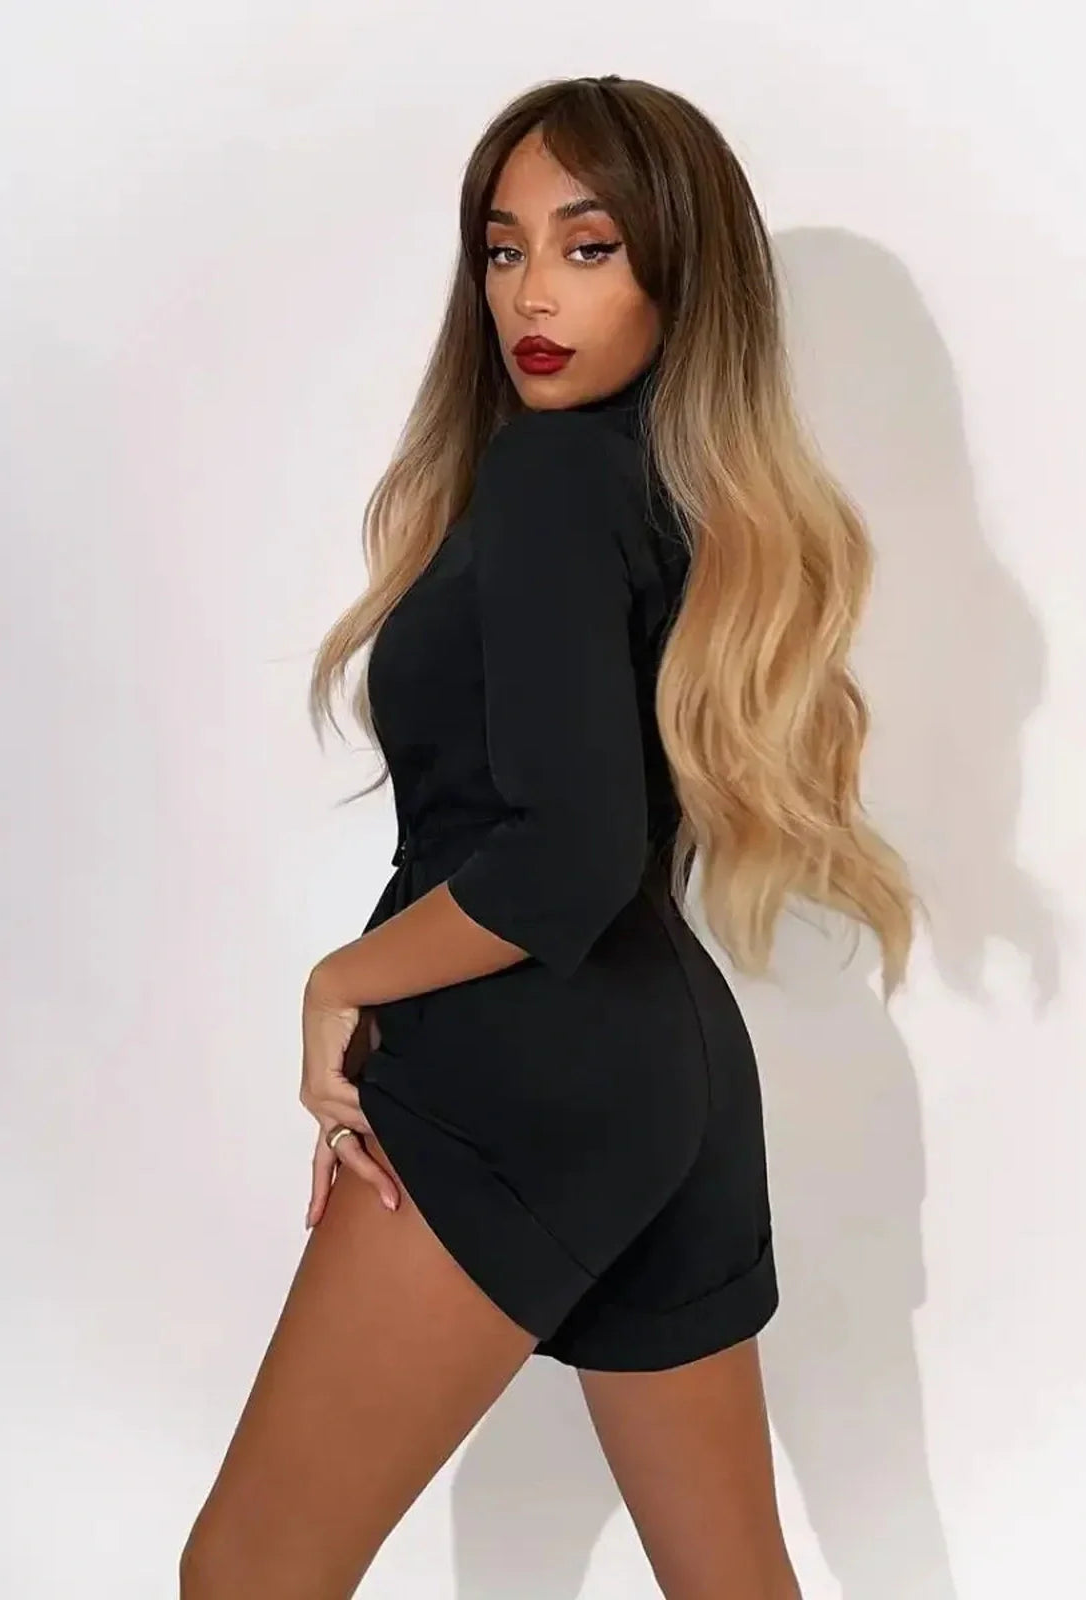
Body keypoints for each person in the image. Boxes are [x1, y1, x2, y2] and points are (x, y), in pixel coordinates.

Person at [180, 74, 915, 1599]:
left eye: (589, 249)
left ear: (679, 271)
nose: (532, 295)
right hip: (673, 1076)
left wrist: (340, 979)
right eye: (503, 249)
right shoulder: (659, 482)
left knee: (249, 1574)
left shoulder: (553, 476)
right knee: (734, 1580)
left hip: (519, 1063)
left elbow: (562, 860)